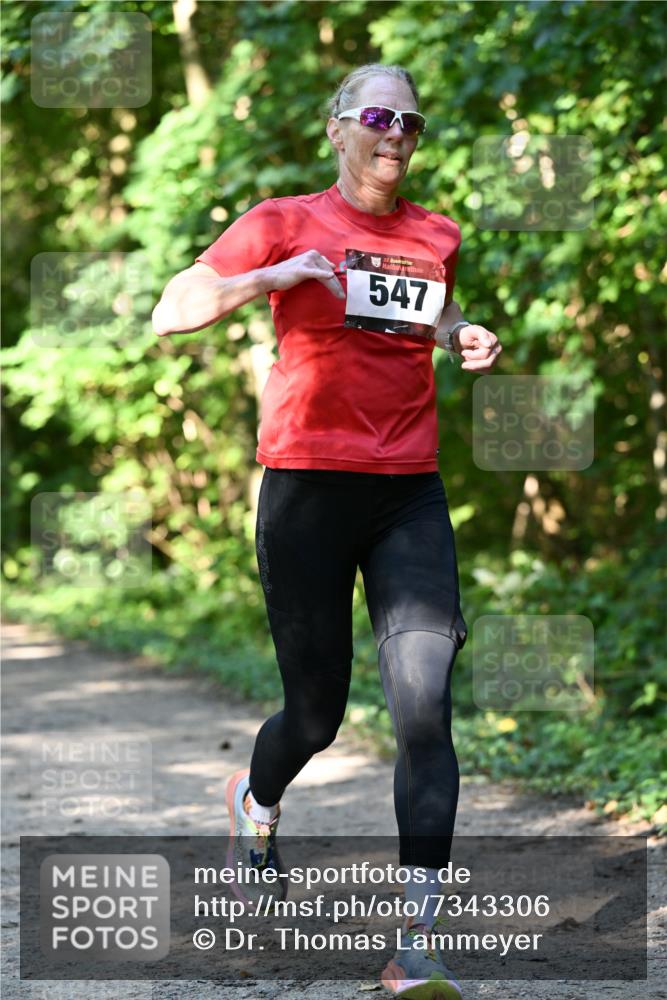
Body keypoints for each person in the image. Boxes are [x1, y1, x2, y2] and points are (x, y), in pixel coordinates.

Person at [153, 63, 501, 1000]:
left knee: (424, 707)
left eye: (412, 121)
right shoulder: (281, 219)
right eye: (380, 116)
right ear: (338, 128)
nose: (398, 133)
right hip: (307, 489)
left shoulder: (437, 234)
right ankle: (255, 802)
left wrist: (460, 338)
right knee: (315, 715)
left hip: (407, 495)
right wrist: (271, 274)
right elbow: (170, 313)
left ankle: (416, 945)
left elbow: (428, 310)